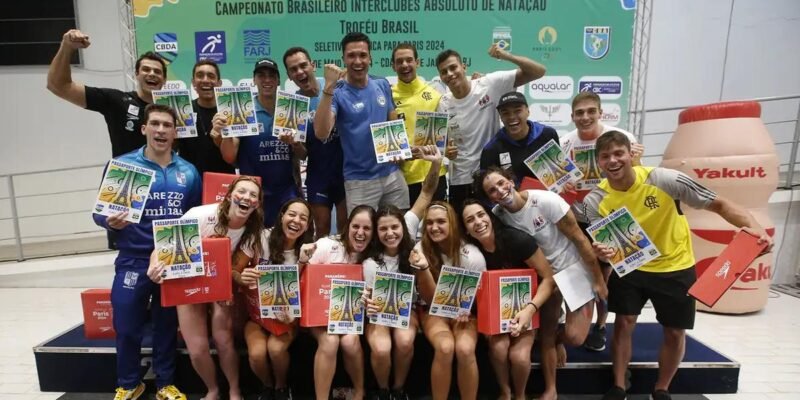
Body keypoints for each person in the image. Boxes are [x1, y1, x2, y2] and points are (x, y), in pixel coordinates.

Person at [583, 131, 772, 400]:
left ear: (630, 154)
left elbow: (719, 204)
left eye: (618, 153)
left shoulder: (664, 179)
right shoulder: (594, 201)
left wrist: (755, 228)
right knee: (623, 324)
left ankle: (662, 388)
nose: (612, 161)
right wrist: (602, 254)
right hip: (632, 268)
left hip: (675, 266)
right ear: (598, 162)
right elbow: (604, 250)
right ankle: (619, 385)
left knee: (674, 331)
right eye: (605, 156)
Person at [92, 104, 200, 400]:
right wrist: (109, 222)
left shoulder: (188, 172)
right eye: (155, 124)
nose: (161, 130)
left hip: (173, 260)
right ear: (144, 129)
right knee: (126, 325)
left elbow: (193, 217)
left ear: (175, 133)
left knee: (167, 326)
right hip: (133, 259)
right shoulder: (124, 166)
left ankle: (165, 384)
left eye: (167, 125)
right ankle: (129, 384)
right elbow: (99, 213)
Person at [474, 166, 607, 400]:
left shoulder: (545, 201)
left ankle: (560, 338)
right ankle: (550, 389)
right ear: (489, 198)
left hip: (572, 268)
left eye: (501, 183)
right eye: (492, 190)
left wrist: (598, 279)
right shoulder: (498, 215)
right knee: (546, 334)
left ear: (511, 180)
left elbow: (580, 239)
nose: (500, 191)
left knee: (574, 337)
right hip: (543, 276)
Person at [48, 29, 167, 250]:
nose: (152, 74)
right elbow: (59, 86)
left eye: (157, 71)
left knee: (169, 256)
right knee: (129, 256)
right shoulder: (117, 100)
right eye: (146, 69)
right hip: (127, 183)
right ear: (136, 74)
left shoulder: (175, 111)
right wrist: (67, 47)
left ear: (164, 79)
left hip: (167, 187)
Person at [147, 176, 264, 400]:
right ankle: (213, 390)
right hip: (188, 280)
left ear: (257, 204)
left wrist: (231, 285)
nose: (246, 197)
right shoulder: (200, 215)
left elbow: (234, 268)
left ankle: (234, 390)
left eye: (253, 195)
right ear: (229, 195)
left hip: (219, 280)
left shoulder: (252, 231)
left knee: (223, 339)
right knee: (197, 348)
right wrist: (154, 265)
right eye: (241, 191)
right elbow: (163, 248)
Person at [560, 91, 643, 352]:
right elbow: (556, 182)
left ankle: (601, 325)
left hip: (612, 217)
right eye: (579, 113)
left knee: (605, 276)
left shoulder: (622, 138)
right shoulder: (565, 143)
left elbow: (639, 178)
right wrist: (563, 185)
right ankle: (576, 322)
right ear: (572, 116)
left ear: (600, 112)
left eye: (590, 111)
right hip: (578, 217)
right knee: (582, 272)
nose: (585, 117)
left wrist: (637, 160)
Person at [362, 145, 443, 400]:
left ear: (403, 226)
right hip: (378, 313)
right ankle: (383, 390)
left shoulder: (409, 228)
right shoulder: (369, 259)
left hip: (407, 311)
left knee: (406, 341)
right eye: (383, 229)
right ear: (376, 233)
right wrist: (367, 302)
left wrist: (436, 163)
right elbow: (364, 295)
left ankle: (398, 390)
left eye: (394, 227)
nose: (390, 233)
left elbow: (427, 192)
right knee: (381, 348)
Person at [460, 199, 555, 400]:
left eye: (481, 215)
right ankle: (505, 391)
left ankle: (520, 396)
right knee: (499, 349)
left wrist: (530, 309)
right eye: (470, 220)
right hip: (492, 312)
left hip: (528, 305)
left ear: (490, 217)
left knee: (519, 357)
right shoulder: (470, 253)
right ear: (466, 230)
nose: (478, 222)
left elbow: (549, 278)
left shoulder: (516, 240)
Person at [435, 45, 546, 213]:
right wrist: (446, 151)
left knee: (495, 225)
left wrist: (507, 56)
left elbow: (538, 71)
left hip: (491, 178)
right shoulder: (443, 103)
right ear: (441, 77)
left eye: (453, 67)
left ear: (463, 67)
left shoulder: (490, 84)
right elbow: (441, 145)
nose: (450, 74)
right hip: (459, 180)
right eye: (444, 72)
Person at [313, 32, 409, 213]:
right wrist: (328, 87)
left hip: (392, 175)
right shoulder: (337, 92)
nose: (358, 61)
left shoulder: (382, 84)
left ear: (370, 58)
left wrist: (399, 149)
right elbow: (321, 132)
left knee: (399, 226)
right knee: (362, 230)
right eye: (351, 56)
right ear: (343, 58)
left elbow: (392, 118)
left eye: (363, 55)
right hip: (359, 181)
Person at [233, 198, 316, 400]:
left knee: (276, 349)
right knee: (257, 354)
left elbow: (308, 292)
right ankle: (267, 386)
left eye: (303, 218)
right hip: (256, 316)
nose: (296, 220)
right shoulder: (259, 238)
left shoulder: (309, 251)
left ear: (307, 226)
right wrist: (241, 277)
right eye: (292, 214)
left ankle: (281, 388)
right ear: (281, 216)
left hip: (287, 318)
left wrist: (303, 263)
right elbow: (233, 269)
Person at [408, 201, 487, 400]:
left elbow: (482, 298)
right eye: (429, 223)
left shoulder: (473, 255)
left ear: (452, 223)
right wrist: (424, 269)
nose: (434, 227)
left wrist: (469, 310)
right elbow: (430, 299)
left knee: (465, 349)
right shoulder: (420, 250)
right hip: (432, 310)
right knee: (445, 347)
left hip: (466, 313)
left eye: (441, 222)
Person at [298, 205, 377, 400]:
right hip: (319, 318)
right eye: (356, 226)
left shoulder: (373, 258)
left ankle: (359, 391)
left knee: (350, 341)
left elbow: (375, 298)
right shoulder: (326, 245)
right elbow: (302, 281)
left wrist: (370, 301)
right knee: (330, 341)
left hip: (351, 318)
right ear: (347, 226)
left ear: (373, 232)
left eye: (367, 228)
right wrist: (302, 261)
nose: (360, 233)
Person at [220, 58, 307, 227]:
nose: (267, 80)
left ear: (279, 80)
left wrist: (295, 144)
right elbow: (229, 157)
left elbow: (303, 154)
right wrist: (226, 132)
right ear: (254, 80)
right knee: (254, 240)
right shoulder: (243, 109)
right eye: (261, 75)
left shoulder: (291, 107)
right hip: (253, 194)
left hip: (287, 192)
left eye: (272, 76)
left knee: (286, 239)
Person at [282, 47, 347, 238]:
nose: (300, 72)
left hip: (346, 171)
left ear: (313, 65)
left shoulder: (337, 85)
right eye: (293, 69)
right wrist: (295, 144)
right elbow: (303, 154)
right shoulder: (293, 104)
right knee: (322, 228)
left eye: (303, 65)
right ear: (289, 76)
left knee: (345, 227)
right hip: (318, 175)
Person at [390, 43, 447, 204]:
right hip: (403, 180)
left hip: (436, 174)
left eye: (409, 60)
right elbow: (387, 146)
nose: (405, 65)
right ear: (393, 66)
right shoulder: (388, 97)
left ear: (418, 62)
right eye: (399, 61)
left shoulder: (434, 94)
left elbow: (442, 140)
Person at [480, 91, 560, 185]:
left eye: (517, 111)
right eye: (505, 113)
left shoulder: (547, 134)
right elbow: (487, 186)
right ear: (500, 117)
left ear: (527, 111)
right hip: (513, 194)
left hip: (547, 193)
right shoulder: (491, 149)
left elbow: (559, 173)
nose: (511, 117)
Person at [178, 60, 235, 175]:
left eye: (211, 76)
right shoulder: (182, 111)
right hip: (189, 180)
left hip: (223, 180)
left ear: (219, 83)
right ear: (193, 83)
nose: (205, 80)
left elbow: (234, 156)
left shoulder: (232, 112)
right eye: (200, 75)